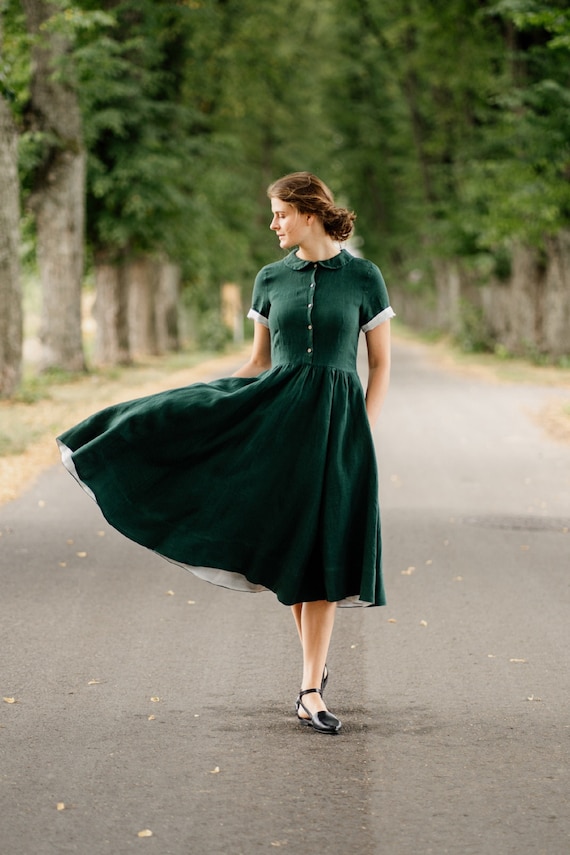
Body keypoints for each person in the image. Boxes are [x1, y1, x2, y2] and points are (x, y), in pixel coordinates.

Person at [57, 172, 394, 735]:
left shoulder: (364, 277)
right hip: (276, 426)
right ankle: (313, 673)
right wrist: (208, 405)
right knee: (292, 549)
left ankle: (310, 686)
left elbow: (380, 364)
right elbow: (258, 363)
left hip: (338, 430)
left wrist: (365, 427)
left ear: (308, 213)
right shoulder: (269, 279)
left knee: (327, 546)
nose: (273, 223)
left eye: (280, 214)